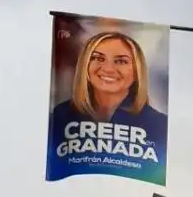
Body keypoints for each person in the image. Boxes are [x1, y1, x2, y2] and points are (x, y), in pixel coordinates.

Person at [47, 31, 167, 176]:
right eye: (98, 58)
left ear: (137, 71)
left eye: (121, 61)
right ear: (85, 65)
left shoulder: (158, 125)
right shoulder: (60, 116)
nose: (108, 69)